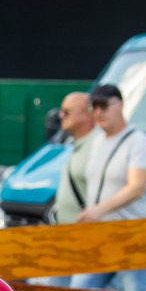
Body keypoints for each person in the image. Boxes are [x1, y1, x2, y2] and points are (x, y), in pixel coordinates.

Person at [70, 83, 146, 291]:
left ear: (120, 105)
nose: (98, 112)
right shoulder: (98, 141)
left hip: (131, 235)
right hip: (101, 235)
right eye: (94, 107)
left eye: (103, 106)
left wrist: (99, 210)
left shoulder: (138, 141)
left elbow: (137, 187)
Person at [50, 91, 98, 225]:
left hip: (86, 231)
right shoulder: (77, 143)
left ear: (87, 113)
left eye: (66, 112)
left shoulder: (99, 146)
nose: (60, 116)